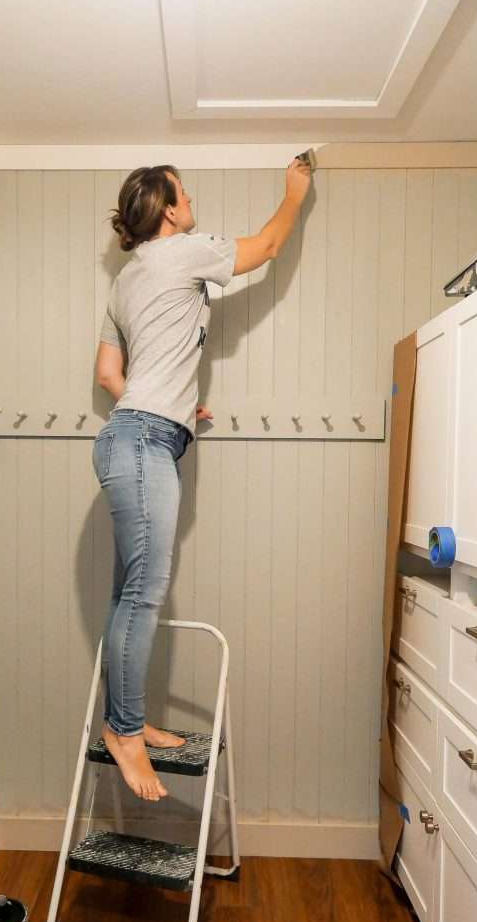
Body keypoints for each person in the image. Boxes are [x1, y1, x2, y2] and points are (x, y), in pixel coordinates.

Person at [93, 157, 313, 801]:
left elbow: (111, 375)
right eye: (185, 196)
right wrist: (294, 192)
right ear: (168, 211)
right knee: (144, 596)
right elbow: (268, 246)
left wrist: (175, 403)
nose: (192, 203)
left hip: (129, 437)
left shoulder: (127, 282)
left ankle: (125, 721)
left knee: (127, 597)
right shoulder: (186, 251)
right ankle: (125, 733)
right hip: (144, 445)